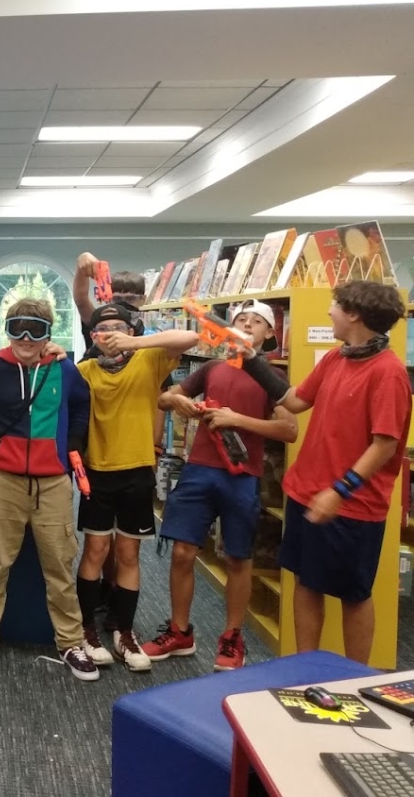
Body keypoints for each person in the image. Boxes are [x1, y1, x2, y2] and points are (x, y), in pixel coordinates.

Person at [237, 281, 411, 663]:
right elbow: (295, 400)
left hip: (352, 505)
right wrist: (251, 358)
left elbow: (384, 444)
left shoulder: (389, 372)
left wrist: (340, 490)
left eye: (335, 305)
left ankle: (355, 679)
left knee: (353, 593)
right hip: (306, 494)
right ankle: (303, 668)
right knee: (306, 580)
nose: (329, 311)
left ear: (353, 314)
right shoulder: (336, 357)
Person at [0, 299, 99, 681]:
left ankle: (70, 642)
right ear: (7, 329)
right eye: (17, 328)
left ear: (49, 332)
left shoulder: (64, 369)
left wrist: (73, 445)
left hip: (53, 482)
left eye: (35, 328)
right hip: (3, 480)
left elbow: (82, 405)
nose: (26, 338)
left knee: (60, 564)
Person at [143, 300, 297, 671]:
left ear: (270, 333)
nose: (246, 324)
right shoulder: (211, 367)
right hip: (198, 470)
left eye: (256, 321)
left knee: (238, 558)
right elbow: (165, 397)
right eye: (240, 319)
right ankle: (180, 631)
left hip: (242, 475)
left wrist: (236, 418)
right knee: (182, 552)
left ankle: (232, 636)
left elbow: (289, 429)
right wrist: (179, 402)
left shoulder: (272, 379)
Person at [76, 305, 199, 672]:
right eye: (102, 330)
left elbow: (191, 337)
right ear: (92, 337)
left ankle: (125, 632)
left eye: (119, 328)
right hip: (97, 471)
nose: (110, 334)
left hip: (137, 472)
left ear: (131, 330)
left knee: (129, 554)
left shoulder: (148, 363)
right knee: (96, 550)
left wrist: (135, 341)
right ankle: (86, 630)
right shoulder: (83, 372)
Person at [73, 254, 161, 628]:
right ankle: (92, 615)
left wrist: (154, 446)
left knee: (127, 549)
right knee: (98, 545)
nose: (124, 300)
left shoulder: (148, 351)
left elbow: (158, 396)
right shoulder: (93, 350)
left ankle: (121, 620)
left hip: (136, 457)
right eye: (119, 293)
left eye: (133, 296)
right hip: (100, 459)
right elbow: (81, 302)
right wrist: (82, 268)